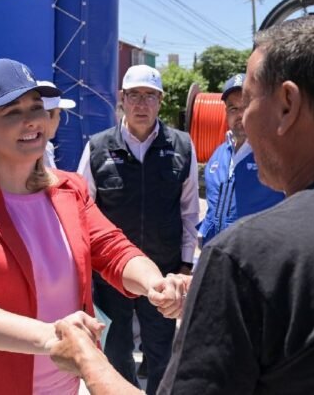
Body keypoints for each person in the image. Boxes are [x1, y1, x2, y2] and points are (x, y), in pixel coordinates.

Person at [50, 15, 314, 394]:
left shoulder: (245, 258)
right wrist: (209, 287)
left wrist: (87, 361)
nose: (241, 120)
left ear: (287, 105)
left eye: (250, 100)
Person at [0, 58, 186, 395]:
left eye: (37, 107)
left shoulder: (69, 189)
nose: (31, 120)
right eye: (13, 112)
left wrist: (155, 284)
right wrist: (52, 337)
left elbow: (114, 250)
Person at [77, 64, 199, 394]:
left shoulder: (182, 147)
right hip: (109, 276)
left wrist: (185, 265)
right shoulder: (97, 147)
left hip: (163, 274)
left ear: (160, 101)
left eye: (149, 96)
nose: (141, 104)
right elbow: (81, 212)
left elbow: (189, 212)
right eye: (134, 95)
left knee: (162, 353)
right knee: (115, 352)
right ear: (122, 99)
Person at [197, 73, 284, 247]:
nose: (240, 115)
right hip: (217, 255)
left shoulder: (278, 154)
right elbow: (213, 207)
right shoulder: (218, 155)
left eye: (246, 106)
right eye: (233, 108)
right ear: (226, 113)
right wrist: (203, 234)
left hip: (258, 257)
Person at [38, 80, 76, 168]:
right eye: (58, 113)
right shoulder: (37, 149)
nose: (59, 119)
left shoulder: (47, 147)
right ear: (46, 117)